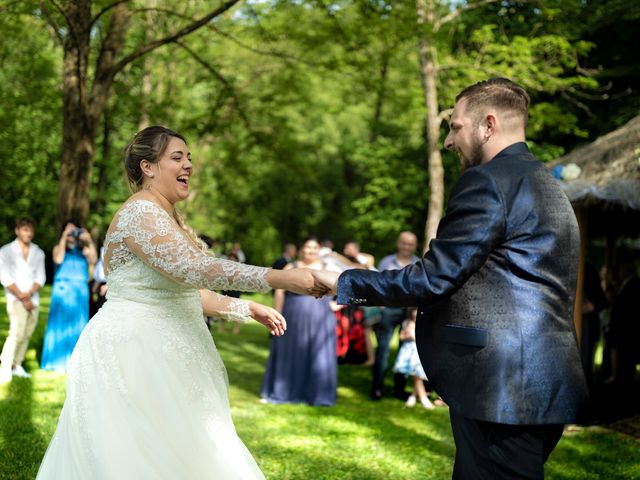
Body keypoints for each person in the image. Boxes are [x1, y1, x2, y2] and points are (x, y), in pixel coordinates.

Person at [313, 78, 589, 479]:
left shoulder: (488, 182)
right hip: (543, 383)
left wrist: (343, 281)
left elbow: (433, 278)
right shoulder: (548, 186)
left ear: (488, 124)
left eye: (456, 126)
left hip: (501, 388)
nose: (448, 140)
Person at [36, 126, 315, 479]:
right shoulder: (140, 213)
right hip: (135, 351)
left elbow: (187, 290)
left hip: (172, 346)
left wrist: (247, 309)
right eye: (177, 157)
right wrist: (278, 278)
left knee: (192, 448)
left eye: (190, 158)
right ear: (148, 167)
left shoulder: (167, 216)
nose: (188, 166)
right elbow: (194, 269)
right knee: (143, 454)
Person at [260, 237, 338, 406]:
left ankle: (318, 394)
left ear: (319, 249)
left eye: (314, 247)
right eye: (307, 247)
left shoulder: (329, 268)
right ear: (301, 249)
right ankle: (285, 391)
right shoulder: (291, 267)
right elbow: (279, 291)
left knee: (319, 353)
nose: (311, 251)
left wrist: (337, 306)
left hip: (321, 316)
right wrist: (277, 313)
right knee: (290, 350)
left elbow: (345, 287)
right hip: (294, 314)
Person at [40, 221, 97, 372]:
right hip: (62, 290)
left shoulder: (83, 250)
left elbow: (94, 261)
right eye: (69, 230)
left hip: (80, 291)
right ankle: (55, 362)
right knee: (59, 323)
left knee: (79, 324)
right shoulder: (58, 248)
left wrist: (89, 240)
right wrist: (65, 237)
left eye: (74, 231)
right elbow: (58, 259)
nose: (72, 234)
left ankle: (75, 361)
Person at [370, 231, 420, 400]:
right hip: (389, 310)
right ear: (398, 243)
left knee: (405, 350)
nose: (407, 246)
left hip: (409, 312)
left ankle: (399, 389)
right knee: (383, 350)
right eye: (404, 243)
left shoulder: (419, 263)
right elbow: (376, 284)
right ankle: (377, 388)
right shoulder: (386, 262)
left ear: (415, 246)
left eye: (410, 244)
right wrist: (381, 306)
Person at [0, 217, 46, 383]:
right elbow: (4, 277)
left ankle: (17, 365)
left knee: (27, 334)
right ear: (17, 230)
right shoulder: (5, 251)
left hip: (33, 299)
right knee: (16, 332)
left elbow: (41, 277)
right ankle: (4, 368)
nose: (29, 233)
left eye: (31, 230)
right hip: (15, 298)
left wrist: (29, 295)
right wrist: (22, 297)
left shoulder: (38, 252)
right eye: (25, 230)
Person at [392, 314, 434, 410]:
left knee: (417, 375)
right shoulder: (407, 323)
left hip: (419, 353)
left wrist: (414, 337)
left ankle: (415, 397)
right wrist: (407, 335)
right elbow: (401, 336)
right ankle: (421, 397)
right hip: (408, 353)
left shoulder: (424, 325)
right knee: (416, 375)